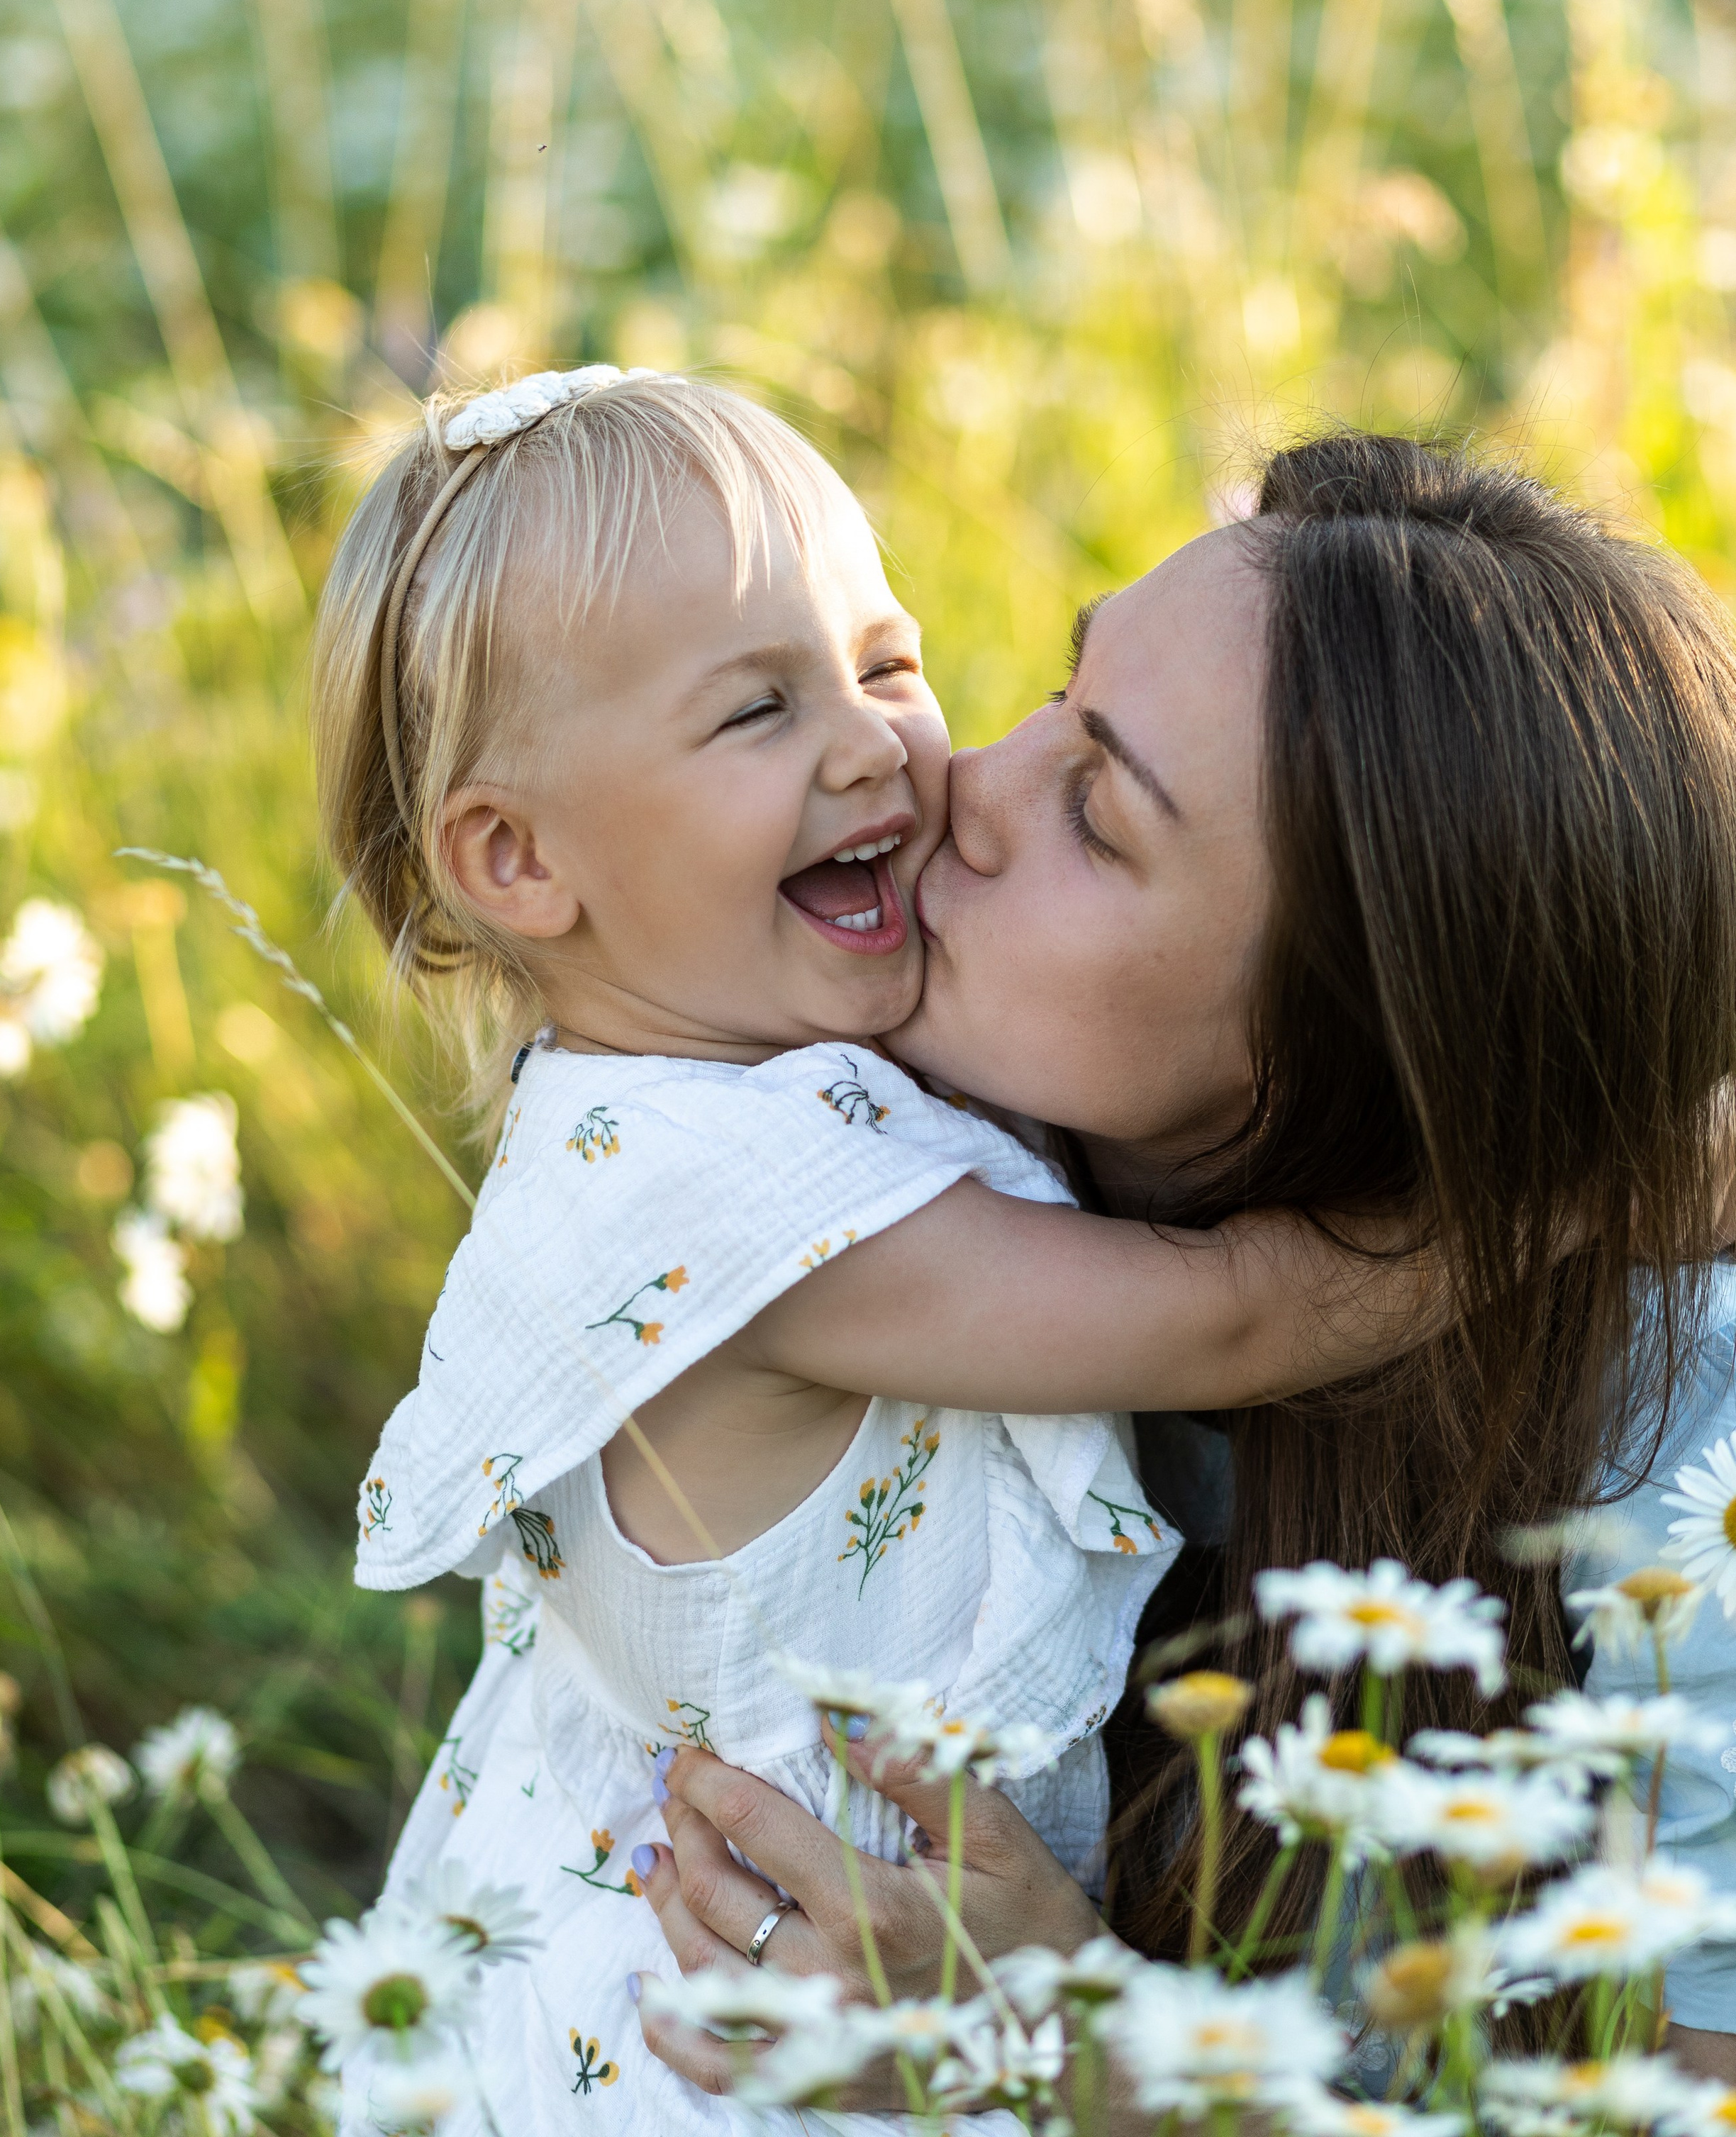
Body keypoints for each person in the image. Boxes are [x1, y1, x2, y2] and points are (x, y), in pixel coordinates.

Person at [308, 372, 1433, 2136]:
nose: (871, 748)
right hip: (764, 2032)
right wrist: (1574, 1195)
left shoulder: (746, 1071)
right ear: (518, 859)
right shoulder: (727, 1205)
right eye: (757, 710)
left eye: (884, 661)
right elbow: (1228, 1323)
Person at [629, 431, 1736, 2092]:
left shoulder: (1676, 1468)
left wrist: (1090, 2057)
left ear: (1351, 1051)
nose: (950, 782)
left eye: (1093, 807)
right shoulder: (863, 1189)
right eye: (1050, 700)